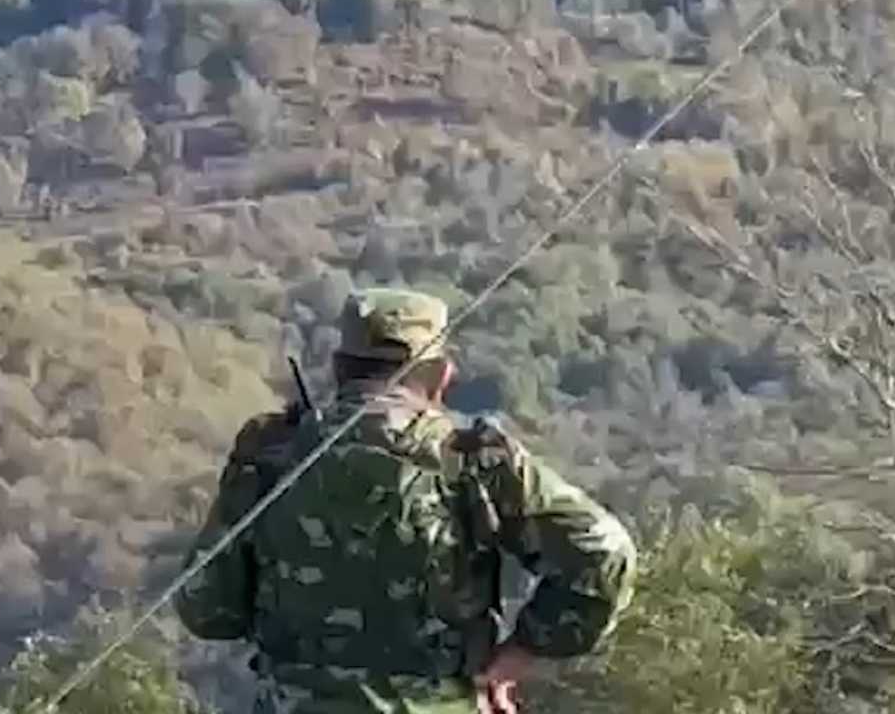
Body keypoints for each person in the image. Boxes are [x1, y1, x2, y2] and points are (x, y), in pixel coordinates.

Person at [174, 287, 638, 714]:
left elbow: (206, 607)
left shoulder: (273, 453)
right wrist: (515, 657)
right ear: (442, 376)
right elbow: (602, 553)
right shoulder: (475, 459)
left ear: (339, 368)